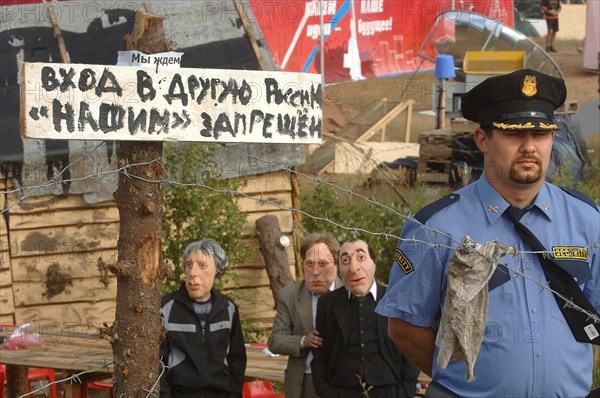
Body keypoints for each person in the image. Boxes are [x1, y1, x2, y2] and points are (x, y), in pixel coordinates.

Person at [376, 69, 599, 397]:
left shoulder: (586, 219)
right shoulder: (436, 227)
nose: (529, 147)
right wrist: (466, 383)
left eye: (541, 134)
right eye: (513, 134)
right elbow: (405, 329)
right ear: (482, 139)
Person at [311, 238, 419, 398]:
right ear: (339, 269)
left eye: (361, 258)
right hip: (341, 391)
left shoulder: (396, 299)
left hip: (391, 391)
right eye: (346, 260)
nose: (354, 268)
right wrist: (326, 392)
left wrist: (405, 391)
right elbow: (320, 354)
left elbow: (411, 351)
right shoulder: (327, 304)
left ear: (374, 263)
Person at [160, 238, 247, 398]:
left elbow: (237, 359)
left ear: (217, 270)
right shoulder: (166, 308)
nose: (193, 272)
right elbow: (157, 362)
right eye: (189, 265)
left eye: (202, 265)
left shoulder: (228, 308)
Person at [268, 232, 343, 398]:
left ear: (336, 264)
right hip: (304, 382)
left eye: (323, 263)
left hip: (342, 381)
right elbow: (275, 341)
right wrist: (303, 341)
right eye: (309, 264)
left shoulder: (349, 292)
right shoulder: (290, 296)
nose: (315, 271)